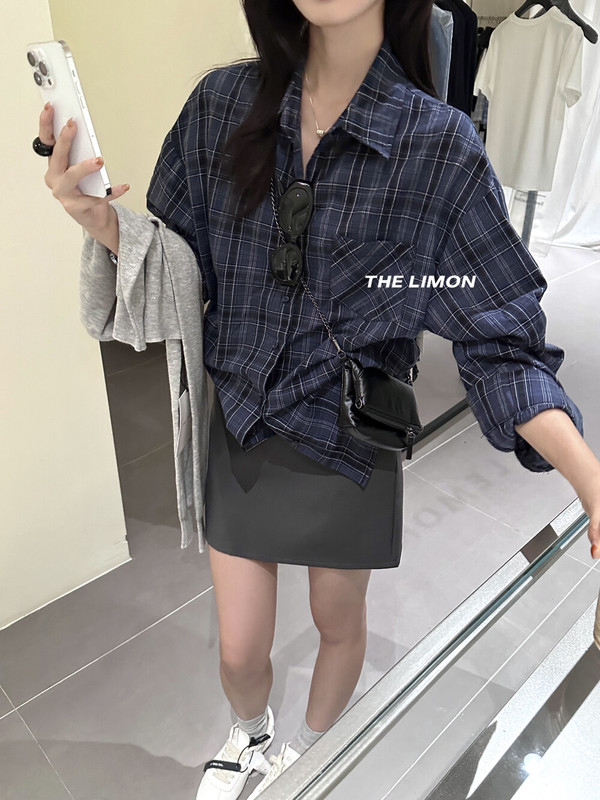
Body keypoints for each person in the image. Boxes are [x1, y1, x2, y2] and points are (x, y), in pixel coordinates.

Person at [36, 1, 600, 798]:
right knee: (239, 650)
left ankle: (309, 755)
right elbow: (179, 263)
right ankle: (252, 735)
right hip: (242, 421)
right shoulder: (221, 107)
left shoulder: (437, 148)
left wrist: (591, 482)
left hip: (349, 439)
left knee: (339, 625)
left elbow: (499, 340)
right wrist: (97, 217)